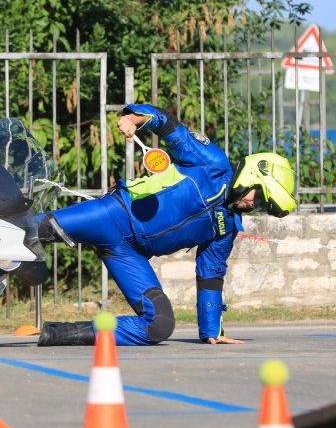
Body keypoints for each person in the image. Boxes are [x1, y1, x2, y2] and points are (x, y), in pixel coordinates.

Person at [37, 103, 297, 346]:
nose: (255, 206)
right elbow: (168, 126)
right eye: (260, 197)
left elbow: (211, 275)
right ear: (253, 176)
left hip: (129, 253)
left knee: (159, 325)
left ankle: (57, 334)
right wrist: (133, 118)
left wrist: (212, 331)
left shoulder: (226, 227)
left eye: (263, 206)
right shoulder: (212, 164)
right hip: (114, 215)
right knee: (34, 231)